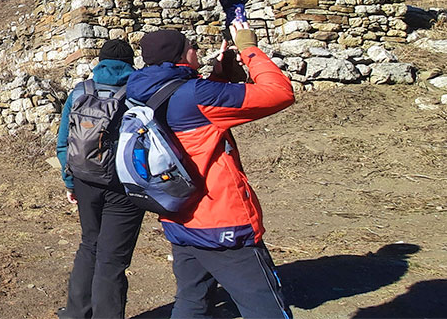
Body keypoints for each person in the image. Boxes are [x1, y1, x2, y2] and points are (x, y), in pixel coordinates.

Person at [124, 23, 294, 318]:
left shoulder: (143, 91)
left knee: (193, 302)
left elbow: (186, 110)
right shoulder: (198, 95)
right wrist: (249, 48)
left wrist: (218, 77)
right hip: (221, 222)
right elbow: (279, 93)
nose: (198, 51)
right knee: (266, 308)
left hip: (180, 215)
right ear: (179, 56)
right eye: (192, 46)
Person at [55, 40, 144, 319]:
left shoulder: (81, 91)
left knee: (89, 244)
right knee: (113, 257)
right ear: (131, 62)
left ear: (100, 62)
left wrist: (70, 182)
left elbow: (64, 143)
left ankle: (76, 313)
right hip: (123, 186)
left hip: (84, 180)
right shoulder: (139, 92)